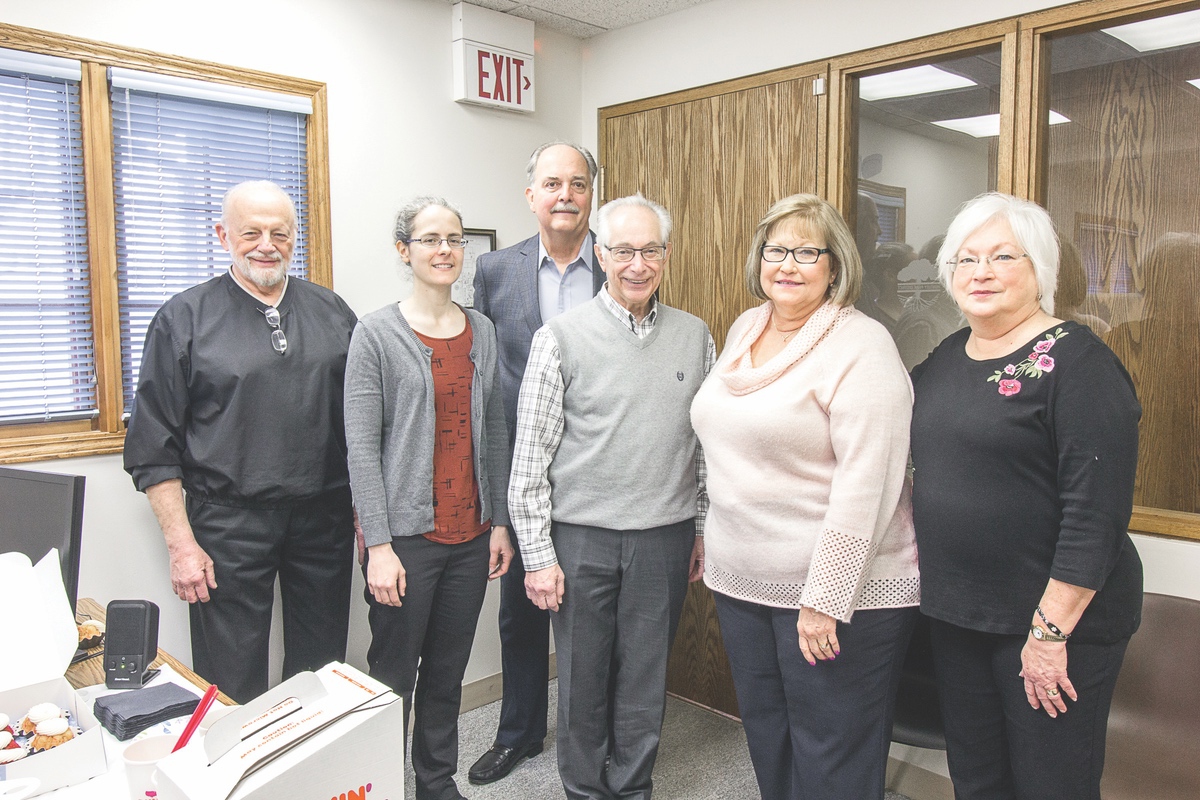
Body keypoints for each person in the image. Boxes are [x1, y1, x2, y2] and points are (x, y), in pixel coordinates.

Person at [910, 192, 1143, 800]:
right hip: (959, 614)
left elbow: (1096, 515)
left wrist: (1048, 635)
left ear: (1040, 269)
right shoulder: (944, 359)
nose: (980, 272)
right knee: (979, 779)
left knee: (1051, 785)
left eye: (1002, 256)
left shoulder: (1080, 364)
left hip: (1053, 625)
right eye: (965, 260)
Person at [690, 193, 920, 800]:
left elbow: (868, 485)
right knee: (769, 735)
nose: (787, 264)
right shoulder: (747, 326)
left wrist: (825, 598)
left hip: (835, 597)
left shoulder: (862, 347)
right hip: (742, 583)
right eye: (776, 250)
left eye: (805, 252)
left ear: (835, 265)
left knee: (832, 754)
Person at [123, 180, 357, 704]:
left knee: (321, 670)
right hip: (227, 524)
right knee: (230, 676)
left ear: (296, 237)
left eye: (280, 233)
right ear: (222, 234)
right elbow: (152, 446)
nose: (266, 245)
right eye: (251, 233)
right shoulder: (183, 318)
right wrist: (182, 546)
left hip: (324, 517)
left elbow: (361, 425)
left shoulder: (333, 312)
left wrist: (369, 519)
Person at [510, 194, 711, 800]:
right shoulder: (560, 339)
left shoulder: (695, 335)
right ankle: (583, 790)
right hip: (581, 539)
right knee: (582, 679)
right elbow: (530, 459)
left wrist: (700, 527)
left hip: (664, 537)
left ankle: (631, 787)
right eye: (623, 250)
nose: (637, 264)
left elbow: (703, 443)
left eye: (650, 250)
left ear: (666, 256)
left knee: (645, 681)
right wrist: (539, 556)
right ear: (600, 254)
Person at [344, 197, 512, 800]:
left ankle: (436, 785)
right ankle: (383, 785)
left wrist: (497, 524)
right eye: (431, 239)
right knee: (392, 677)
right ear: (404, 250)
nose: (445, 250)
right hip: (406, 541)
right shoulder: (376, 333)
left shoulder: (482, 331)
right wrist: (379, 546)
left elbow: (492, 428)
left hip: (471, 536)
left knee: (446, 673)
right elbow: (361, 449)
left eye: (455, 239)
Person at [468, 141, 605, 785]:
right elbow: (486, 382)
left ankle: (596, 740)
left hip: (602, 468)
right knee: (520, 610)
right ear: (531, 196)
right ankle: (519, 732)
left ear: (590, 194)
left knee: (595, 616)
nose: (565, 195)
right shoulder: (495, 271)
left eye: (577, 184)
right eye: (552, 184)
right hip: (523, 473)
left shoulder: (621, 262)